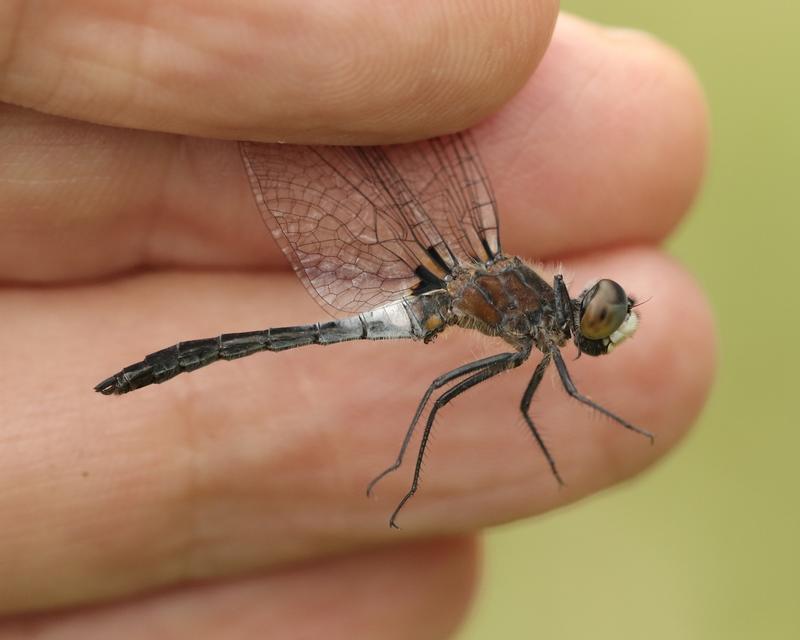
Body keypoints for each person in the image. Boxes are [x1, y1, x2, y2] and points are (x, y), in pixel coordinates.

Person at [0, 2, 714, 636]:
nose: (600, 323)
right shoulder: (537, 327)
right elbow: (563, 394)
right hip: (432, 296)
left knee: (438, 394)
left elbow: (537, 401)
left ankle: (405, 471)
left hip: (443, 286)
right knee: (435, 394)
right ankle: (400, 470)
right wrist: (593, 422)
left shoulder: (533, 316)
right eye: (600, 316)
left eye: (600, 318)